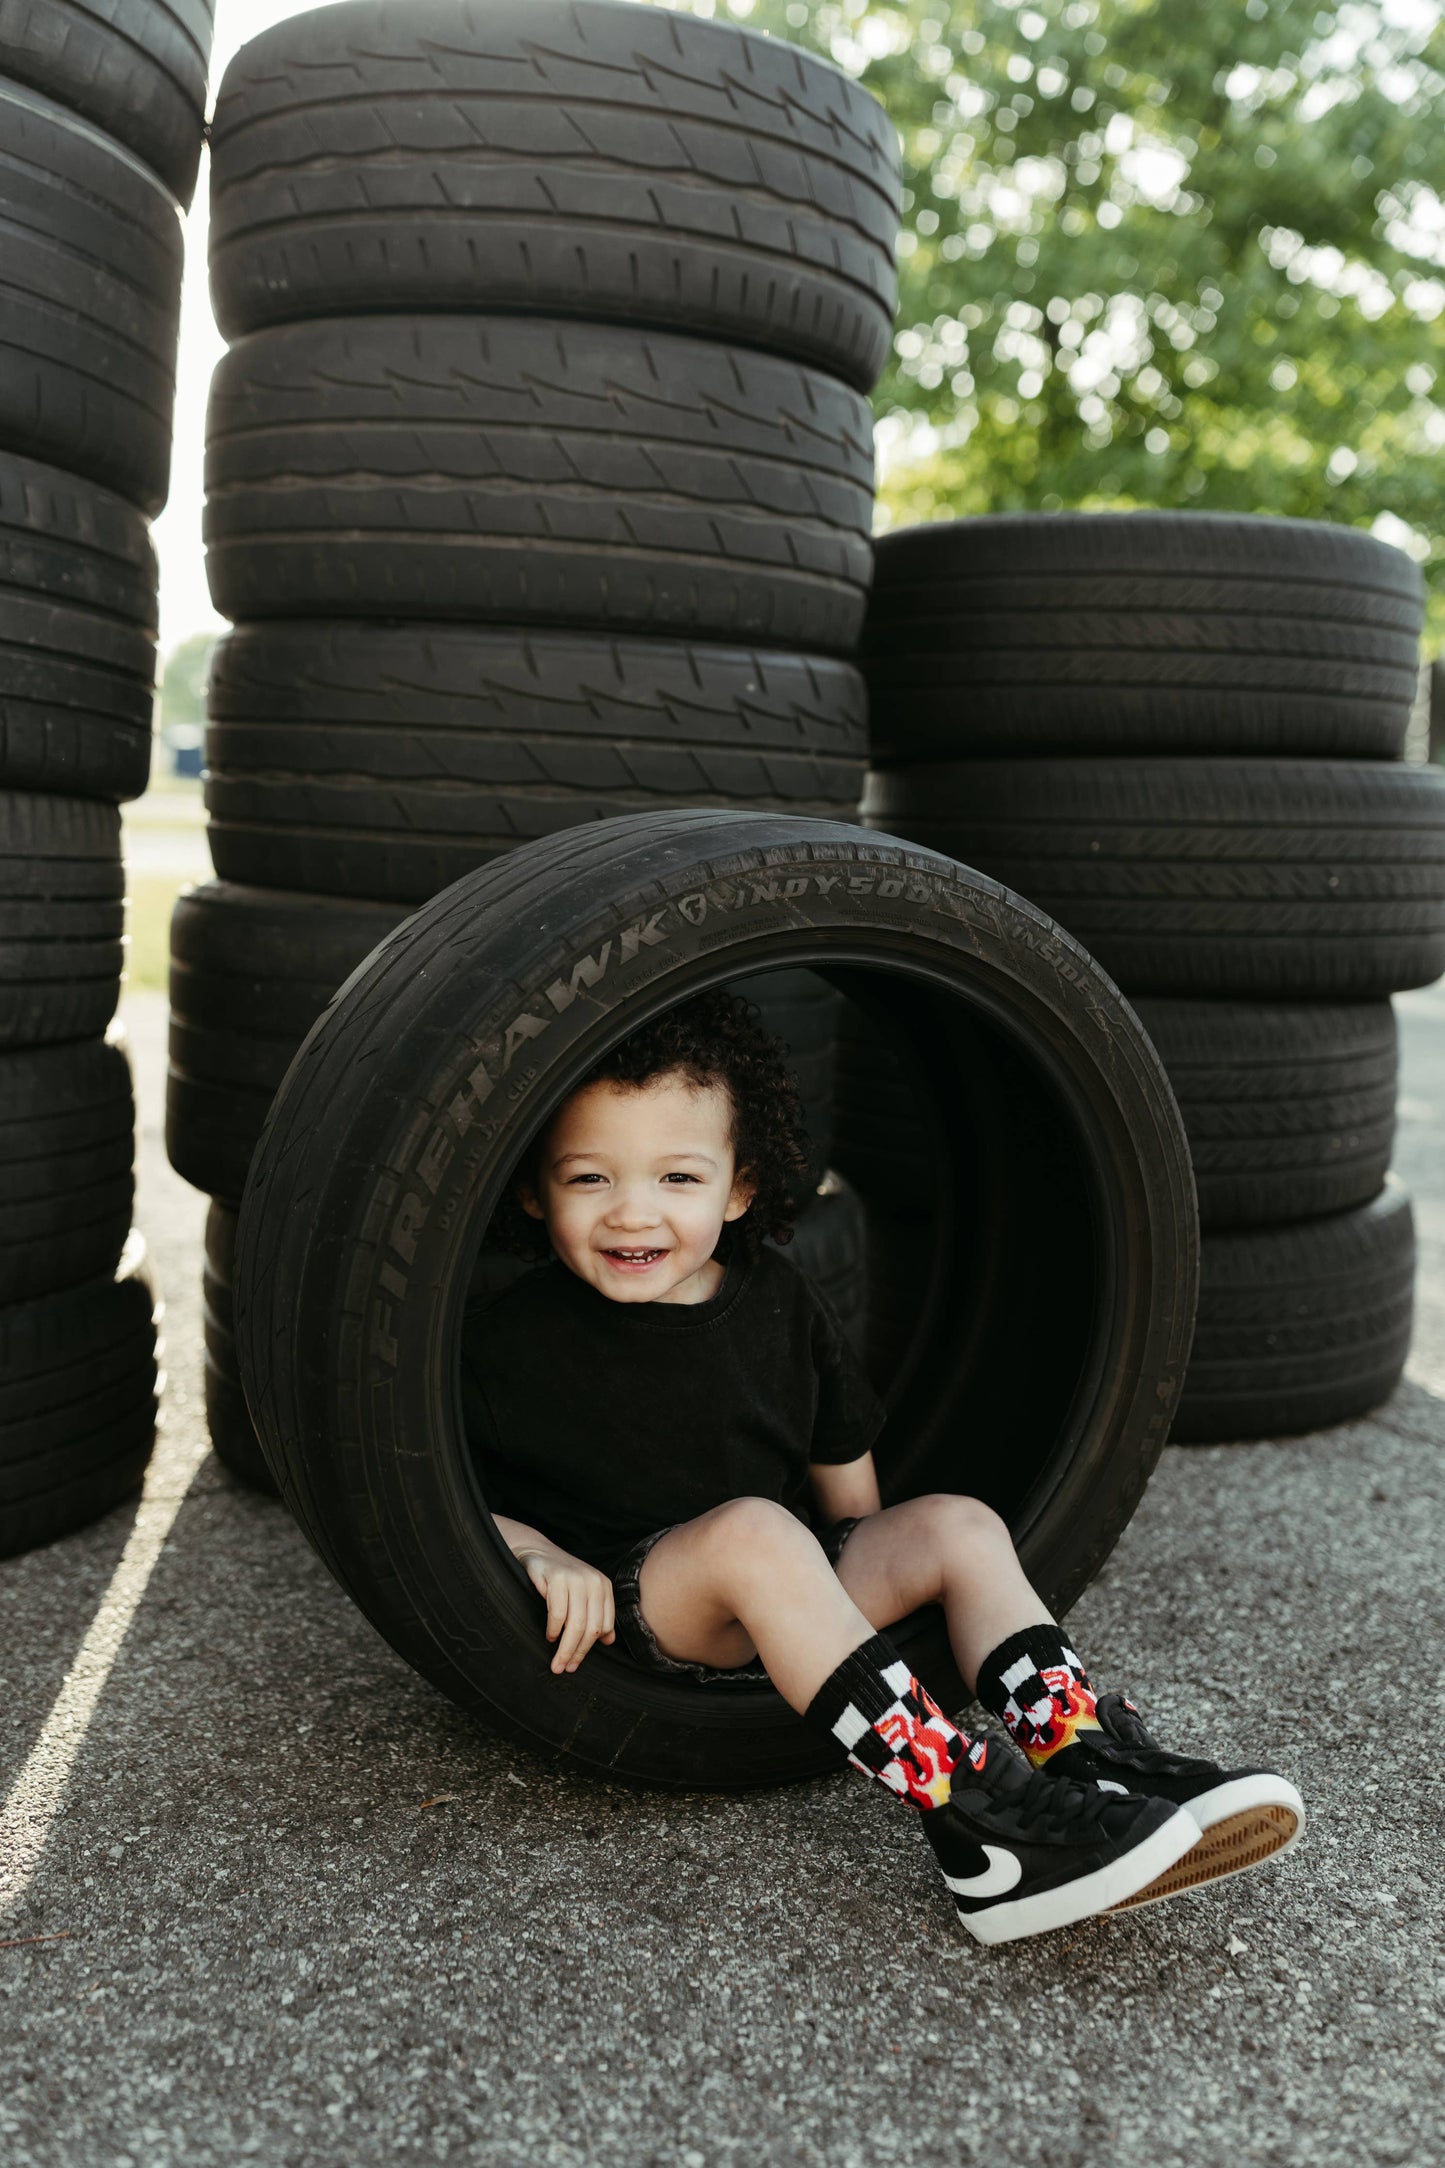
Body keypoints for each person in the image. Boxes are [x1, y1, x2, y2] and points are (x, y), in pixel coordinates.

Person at [460, 991, 1303, 1946]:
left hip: (789, 1575)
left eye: (678, 1177)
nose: (633, 1211)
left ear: (739, 1188)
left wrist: (869, 1614)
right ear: (533, 1189)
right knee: (754, 1530)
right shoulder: (506, 1341)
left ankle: (1083, 1750)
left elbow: (846, 1487)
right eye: (588, 1179)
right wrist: (534, 1555)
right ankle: (979, 1834)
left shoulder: (778, 1298)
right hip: (646, 1599)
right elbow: (440, 1496)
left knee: (952, 1522)